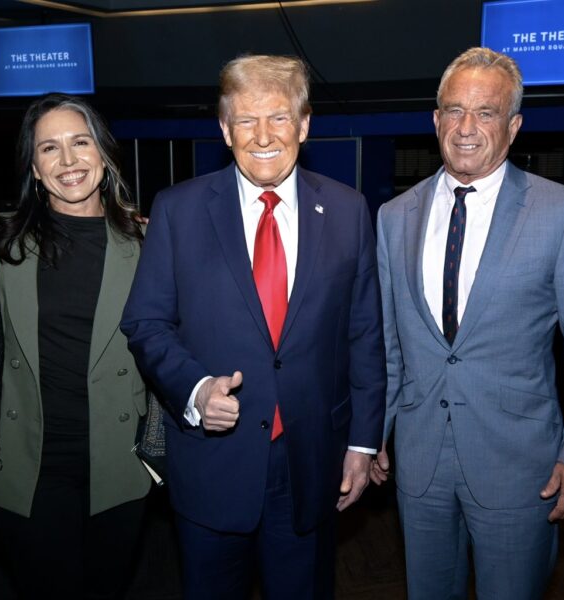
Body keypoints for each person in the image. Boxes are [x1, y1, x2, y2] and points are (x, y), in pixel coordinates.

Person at [121, 54, 385, 599]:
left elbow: (364, 334)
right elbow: (146, 322)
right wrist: (193, 388)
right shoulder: (178, 210)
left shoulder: (348, 210)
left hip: (311, 462)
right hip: (213, 463)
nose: (263, 135)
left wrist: (362, 443)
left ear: (305, 124)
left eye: (279, 118)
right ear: (224, 129)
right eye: (245, 120)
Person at [371, 47, 564, 599]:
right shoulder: (392, 217)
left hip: (520, 465)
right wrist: (374, 433)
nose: (466, 127)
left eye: (486, 113)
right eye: (454, 110)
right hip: (420, 458)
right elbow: (389, 346)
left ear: (514, 126)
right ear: (435, 120)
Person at [0, 93, 151, 600]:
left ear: (103, 152)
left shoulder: (149, 244)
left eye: (81, 143)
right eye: (49, 148)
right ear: (33, 166)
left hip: (117, 461)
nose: (69, 161)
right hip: (28, 464)